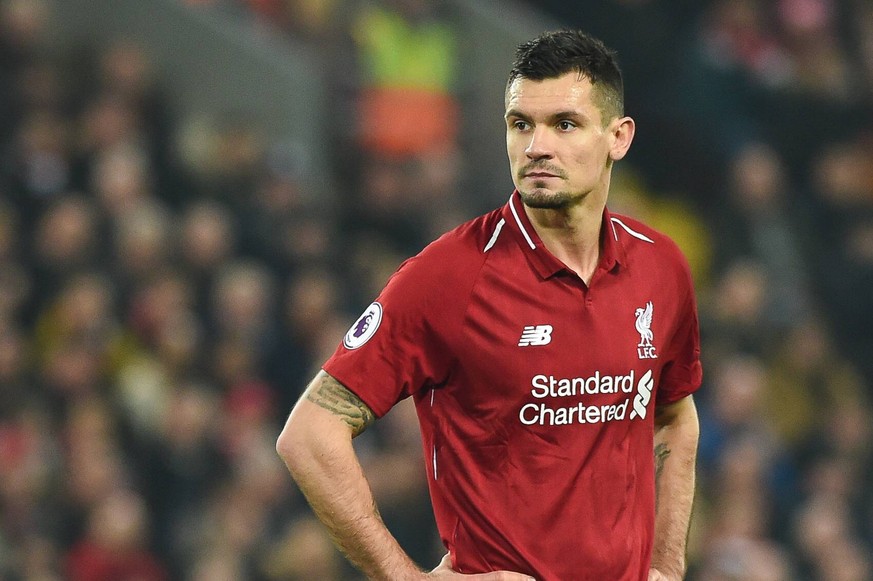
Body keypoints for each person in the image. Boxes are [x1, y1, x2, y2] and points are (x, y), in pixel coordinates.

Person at [276, 29, 702, 581]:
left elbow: (673, 413)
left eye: (564, 124)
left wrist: (667, 565)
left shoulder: (661, 266)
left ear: (618, 137)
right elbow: (310, 434)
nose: (536, 147)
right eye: (520, 124)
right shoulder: (448, 276)